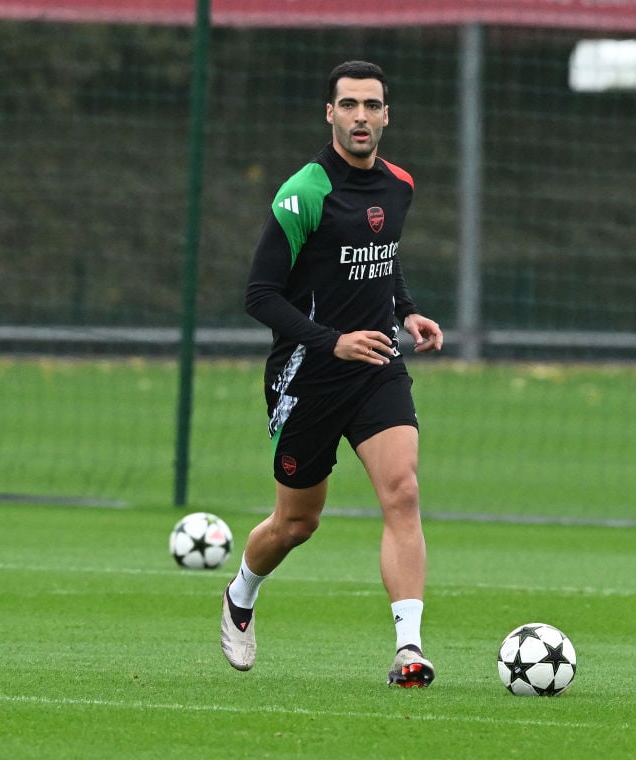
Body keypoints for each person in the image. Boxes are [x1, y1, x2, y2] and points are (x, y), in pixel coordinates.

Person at [220, 60, 443, 688]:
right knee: (298, 523)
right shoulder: (304, 192)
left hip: (377, 366)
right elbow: (260, 295)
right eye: (349, 105)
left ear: (387, 114)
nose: (361, 117)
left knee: (402, 490)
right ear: (331, 114)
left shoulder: (399, 185)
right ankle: (241, 592)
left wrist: (407, 311)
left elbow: (382, 262)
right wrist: (331, 342)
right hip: (306, 376)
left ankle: (409, 649)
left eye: (372, 105)